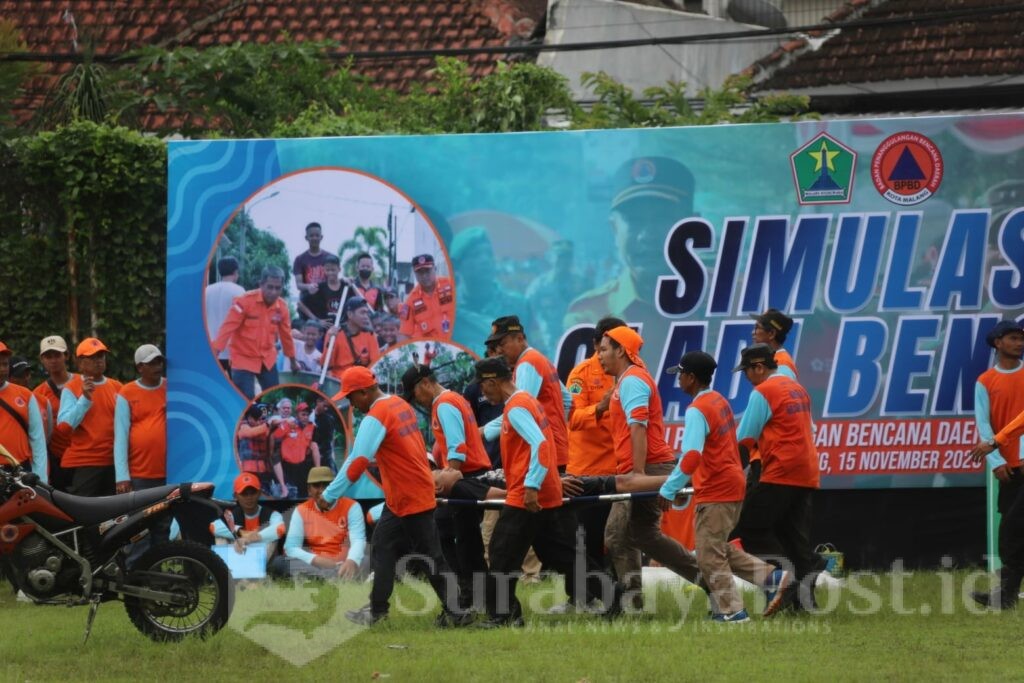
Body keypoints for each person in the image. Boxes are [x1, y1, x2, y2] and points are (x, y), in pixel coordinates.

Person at [472, 357, 621, 628]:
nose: (483, 393)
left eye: (483, 387)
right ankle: (614, 598)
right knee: (562, 555)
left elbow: (540, 445)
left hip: (527, 495)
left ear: (492, 382)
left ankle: (503, 616)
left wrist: (531, 485)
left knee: (501, 553)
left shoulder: (517, 407)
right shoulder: (528, 402)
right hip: (546, 492)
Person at [322, 366, 470, 627]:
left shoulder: (376, 416)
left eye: (351, 397)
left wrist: (329, 494)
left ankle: (458, 613)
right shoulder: (399, 404)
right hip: (404, 495)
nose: (351, 404)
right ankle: (377, 610)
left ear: (364, 392)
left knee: (430, 556)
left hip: (410, 497)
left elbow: (357, 462)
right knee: (383, 547)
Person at [659, 351, 792, 622]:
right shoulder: (718, 400)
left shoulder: (697, 409)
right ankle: (770, 578)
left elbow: (691, 456)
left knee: (708, 555)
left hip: (716, 488)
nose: (678, 379)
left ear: (691, 378)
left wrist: (668, 490)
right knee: (714, 546)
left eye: (681, 374)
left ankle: (733, 612)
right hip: (733, 483)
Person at [597, 325, 700, 607]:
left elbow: (638, 427)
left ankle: (632, 602)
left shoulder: (632, 380)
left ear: (621, 351)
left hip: (646, 469)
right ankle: (711, 583)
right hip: (645, 467)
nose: (599, 355)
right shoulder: (627, 380)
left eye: (603, 349)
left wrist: (638, 474)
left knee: (617, 535)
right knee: (644, 536)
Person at [564, 156, 696, 353]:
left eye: (662, 218)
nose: (647, 236)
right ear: (614, 229)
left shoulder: (732, 301)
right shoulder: (588, 314)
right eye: (634, 220)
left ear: (694, 225)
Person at [730, 343, 820, 615]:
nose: (747, 378)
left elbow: (744, 440)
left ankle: (783, 578)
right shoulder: (797, 389)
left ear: (758, 367)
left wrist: (729, 473)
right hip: (807, 473)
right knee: (793, 538)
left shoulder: (763, 392)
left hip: (780, 472)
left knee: (749, 528)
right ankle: (805, 604)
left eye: (747, 371)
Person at [403, 364, 493, 609]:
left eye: (414, 395)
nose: (416, 401)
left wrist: (449, 476)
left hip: (465, 476)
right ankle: (473, 592)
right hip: (468, 474)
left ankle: (470, 593)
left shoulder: (444, 404)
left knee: (459, 538)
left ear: (425, 383)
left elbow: (457, 447)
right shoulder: (453, 399)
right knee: (459, 537)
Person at [561, 316, 623, 609]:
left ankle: (619, 596)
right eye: (609, 343)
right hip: (586, 471)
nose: (613, 350)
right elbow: (572, 418)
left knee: (617, 539)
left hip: (621, 471)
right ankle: (579, 597)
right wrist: (600, 407)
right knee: (584, 538)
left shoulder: (631, 373)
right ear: (597, 343)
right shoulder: (581, 374)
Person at [968, 319, 1024, 609]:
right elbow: (983, 423)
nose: (1019, 343)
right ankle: (1006, 594)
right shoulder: (985, 381)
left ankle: (1005, 594)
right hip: (1008, 465)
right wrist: (996, 460)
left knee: (1013, 529)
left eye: (1020, 338)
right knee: (1011, 530)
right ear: (997, 343)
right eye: (1013, 338)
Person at [483, 315, 571, 471]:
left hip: (541, 456)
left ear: (519, 338)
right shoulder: (538, 359)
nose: (499, 350)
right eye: (496, 346)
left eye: (502, 344)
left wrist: (483, 431)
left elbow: (519, 410)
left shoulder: (527, 364)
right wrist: (555, 429)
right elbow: (568, 400)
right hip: (553, 450)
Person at [212, 265, 298, 399]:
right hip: (243, 358)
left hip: (267, 359)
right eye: (270, 287)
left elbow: (286, 336)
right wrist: (215, 353)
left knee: (274, 397)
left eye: (278, 288)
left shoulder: (282, 308)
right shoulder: (244, 301)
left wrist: (293, 362)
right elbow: (227, 327)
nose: (274, 292)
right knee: (246, 398)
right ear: (261, 284)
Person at [57, 337, 123, 496]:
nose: (98, 361)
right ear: (80, 363)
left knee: (115, 509)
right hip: (85, 462)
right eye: (92, 357)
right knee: (83, 509)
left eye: (101, 356)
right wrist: (85, 399)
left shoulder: (118, 387)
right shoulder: (71, 388)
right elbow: (63, 428)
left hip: (114, 462)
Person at [448, 227, 532, 349]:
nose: (485, 260)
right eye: (476, 255)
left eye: (489, 254)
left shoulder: (518, 305)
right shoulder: (449, 311)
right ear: (458, 265)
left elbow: (534, 349)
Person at [281, 467, 365, 580]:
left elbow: (358, 540)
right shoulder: (301, 510)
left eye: (327, 485)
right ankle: (334, 577)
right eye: (316, 486)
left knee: (368, 559)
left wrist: (352, 560)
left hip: (345, 562)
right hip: (316, 565)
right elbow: (290, 548)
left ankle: (328, 577)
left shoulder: (352, 506)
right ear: (309, 490)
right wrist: (316, 560)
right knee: (281, 563)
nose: (322, 490)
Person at [113, 344, 168, 496]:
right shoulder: (126, 392)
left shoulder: (171, 387)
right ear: (139, 368)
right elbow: (121, 436)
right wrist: (122, 477)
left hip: (172, 471)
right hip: (140, 473)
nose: (157, 367)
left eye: (159, 362)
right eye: (151, 363)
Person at [210, 472, 286, 572]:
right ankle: (225, 572)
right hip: (238, 558)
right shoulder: (231, 515)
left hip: (264, 563)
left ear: (259, 493)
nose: (249, 497)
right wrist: (240, 532)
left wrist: (250, 538)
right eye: (244, 494)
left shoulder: (272, 514)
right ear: (235, 496)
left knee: (272, 536)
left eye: (253, 492)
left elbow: (280, 528)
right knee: (220, 536)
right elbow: (213, 527)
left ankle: (255, 572)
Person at [526, 239, 588, 351]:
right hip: (547, 344)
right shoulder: (539, 286)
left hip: (574, 341)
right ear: (551, 258)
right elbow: (528, 313)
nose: (564, 261)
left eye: (567, 257)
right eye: (560, 257)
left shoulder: (581, 285)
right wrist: (536, 339)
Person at [0, 341, 47, 481]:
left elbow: (38, 440)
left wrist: (41, 478)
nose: (2, 369)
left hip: (20, 470)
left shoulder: (25, 395)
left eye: (5, 364)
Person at [33, 335, 76, 489]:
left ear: (66, 356)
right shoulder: (38, 394)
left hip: (85, 454)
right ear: (42, 360)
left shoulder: (83, 383)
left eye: (57, 355)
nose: (53, 360)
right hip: (56, 457)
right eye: (48, 356)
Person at [398, 253, 454, 342]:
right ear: (415, 274)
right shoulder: (410, 301)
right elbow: (404, 334)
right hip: (433, 347)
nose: (424, 276)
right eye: (420, 273)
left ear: (435, 269)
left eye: (427, 271)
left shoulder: (452, 286)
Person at [235, 403, 286, 497]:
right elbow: (250, 433)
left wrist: (273, 428)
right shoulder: (242, 427)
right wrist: (267, 425)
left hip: (264, 472)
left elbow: (270, 448)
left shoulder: (263, 427)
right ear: (250, 418)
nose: (259, 422)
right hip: (247, 472)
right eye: (257, 419)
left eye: (260, 419)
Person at [324, 296, 381, 380]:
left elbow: (375, 364)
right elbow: (326, 366)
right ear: (350, 314)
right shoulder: (334, 333)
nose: (366, 317)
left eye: (366, 313)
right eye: (362, 313)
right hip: (340, 380)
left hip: (362, 380)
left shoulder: (370, 334)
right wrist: (329, 340)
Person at [205, 256, 245, 372]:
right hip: (233, 351)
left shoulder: (207, 290)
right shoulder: (239, 291)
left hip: (211, 349)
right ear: (235, 272)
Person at [274, 401, 320, 497]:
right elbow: (276, 435)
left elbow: (313, 444)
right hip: (287, 467)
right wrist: (286, 425)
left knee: (304, 495)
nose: (305, 417)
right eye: (303, 414)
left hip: (302, 467)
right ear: (297, 415)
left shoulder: (312, 427)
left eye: (307, 415)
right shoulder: (289, 424)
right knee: (290, 495)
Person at [298, 253, 349, 327]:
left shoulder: (346, 286)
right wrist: (316, 320)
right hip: (324, 329)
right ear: (323, 270)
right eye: (327, 270)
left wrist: (352, 285)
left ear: (339, 269)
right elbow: (300, 304)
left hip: (342, 327)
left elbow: (360, 301)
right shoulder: (318, 287)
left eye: (333, 270)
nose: (330, 273)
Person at [751, 308, 798, 379]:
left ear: (771, 334)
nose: (752, 332)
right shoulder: (772, 362)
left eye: (757, 327)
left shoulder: (782, 367)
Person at [293, 221, 329, 310]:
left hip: (325, 302)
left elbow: (333, 280)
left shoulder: (329, 257)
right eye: (311, 235)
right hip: (306, 303)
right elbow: (298, 285)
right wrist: (308, 287)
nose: (314, 238)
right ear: (306, 238)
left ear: (321, 237)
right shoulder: (299, 259)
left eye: (317, 235)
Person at [312, 396, 340, 471]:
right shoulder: (309, 417)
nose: (326, 409)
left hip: (326, 454)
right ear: (318, 402)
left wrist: (332, 454)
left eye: (327, 407)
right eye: (324, 406)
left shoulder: (329, 419)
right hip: (311, 455)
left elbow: (331, 438)